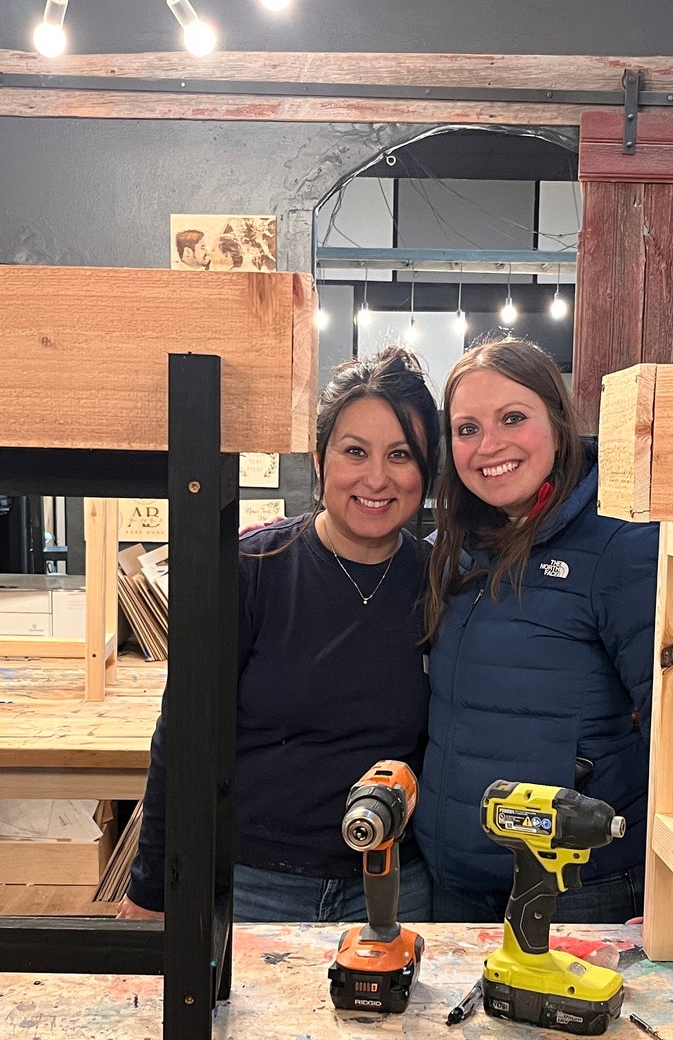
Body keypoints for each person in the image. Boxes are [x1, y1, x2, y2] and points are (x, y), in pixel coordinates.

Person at [118, 345, 441, 924]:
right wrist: (151, 890)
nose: (376, 477)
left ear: (427, 470)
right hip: (252, 885)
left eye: (401, 455)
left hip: (395, 886)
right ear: (320, 460)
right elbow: (183, 735)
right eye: (354, 452)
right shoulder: (251, 570)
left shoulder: (443, 583)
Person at [415, 336, 673, 924]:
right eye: (467, 428)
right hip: (453, 886)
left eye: (512, 419)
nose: (489, 445)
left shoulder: (622, 546)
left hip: (579, 888)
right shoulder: (454, 550)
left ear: (556, 422)